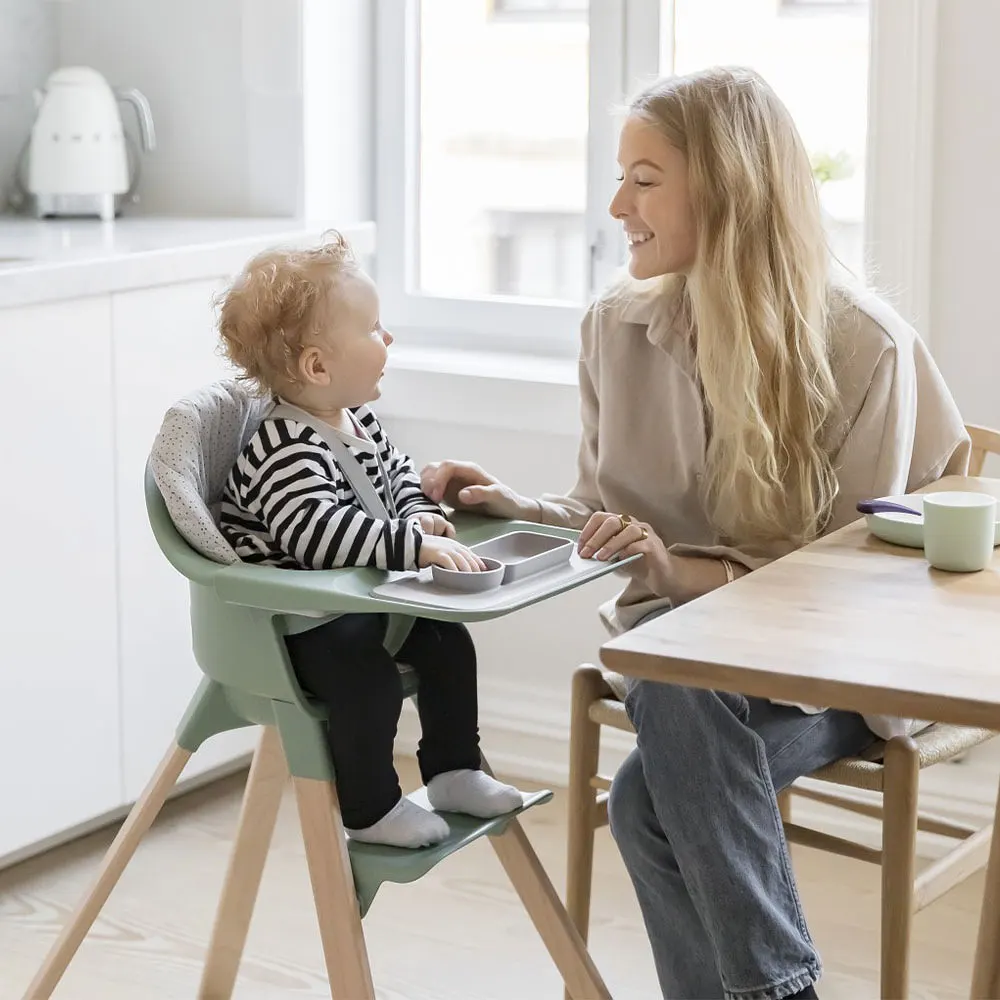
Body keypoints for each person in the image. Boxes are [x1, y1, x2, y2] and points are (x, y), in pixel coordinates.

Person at [421, 67, 970, 998]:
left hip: (833, 673)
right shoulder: (613, 330)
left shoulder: (865, 347)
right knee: (670, 703)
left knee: (646, 791)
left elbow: (850, 591)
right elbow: (612, 514)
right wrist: (514, 506)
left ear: (726, 186)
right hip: (688, 669)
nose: (614, 205)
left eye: (644, 178)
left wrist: (677, 576)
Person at [216, 233, 525, 850]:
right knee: (369, 682)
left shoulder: (357, 421)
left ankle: (453, 769)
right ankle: (371, 808)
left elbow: (399, 480)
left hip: (358, 601)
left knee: (446, 642)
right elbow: (316, 536)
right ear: (318, 366)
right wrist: (412, 548)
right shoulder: (283, 447)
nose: (389, 340)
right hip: (296, 621)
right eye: (375, 329)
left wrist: (422, 519)